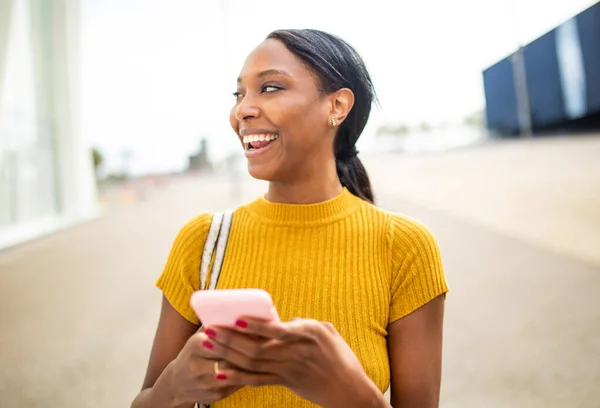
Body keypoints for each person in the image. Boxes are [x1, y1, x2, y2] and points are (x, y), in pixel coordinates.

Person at [132, 29, 448, 408]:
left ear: (337, 106)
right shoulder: (203, 241)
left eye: (269, 88)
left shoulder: (404, 246)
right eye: (239, 94)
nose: (241, 110)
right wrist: (175, 386)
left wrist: (349, 392)